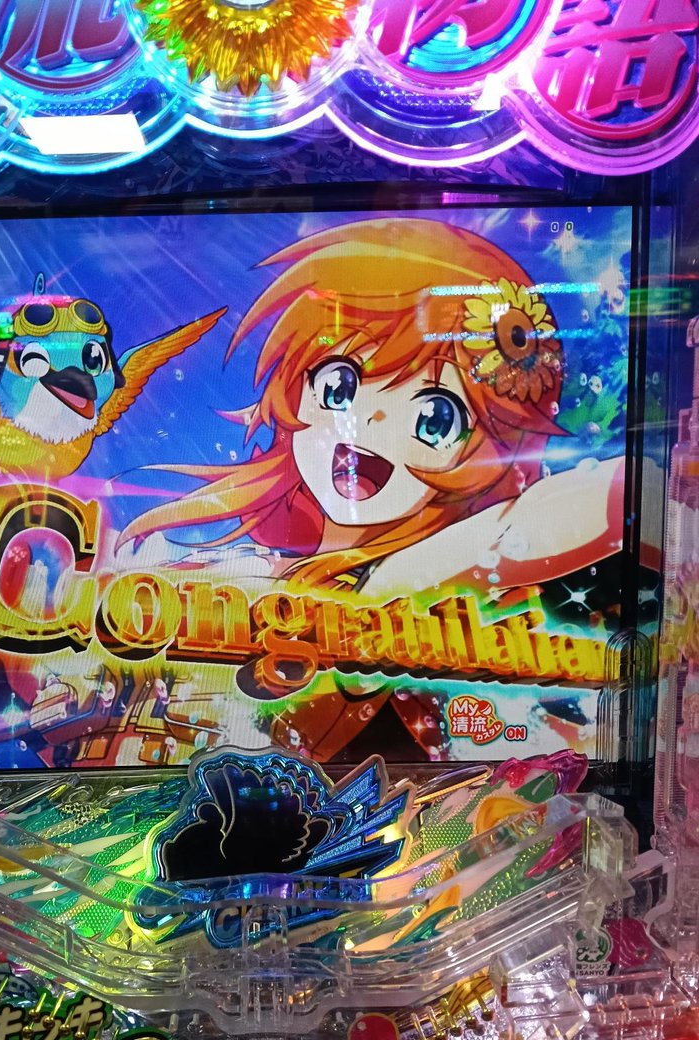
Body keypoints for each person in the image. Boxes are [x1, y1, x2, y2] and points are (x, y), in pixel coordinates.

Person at [118, 218, 628, 760]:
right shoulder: (235, 568)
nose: (369, 423)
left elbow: (541, 520)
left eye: (435, 418)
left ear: (483, 453)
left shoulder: (413, 571)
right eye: (339, 387)